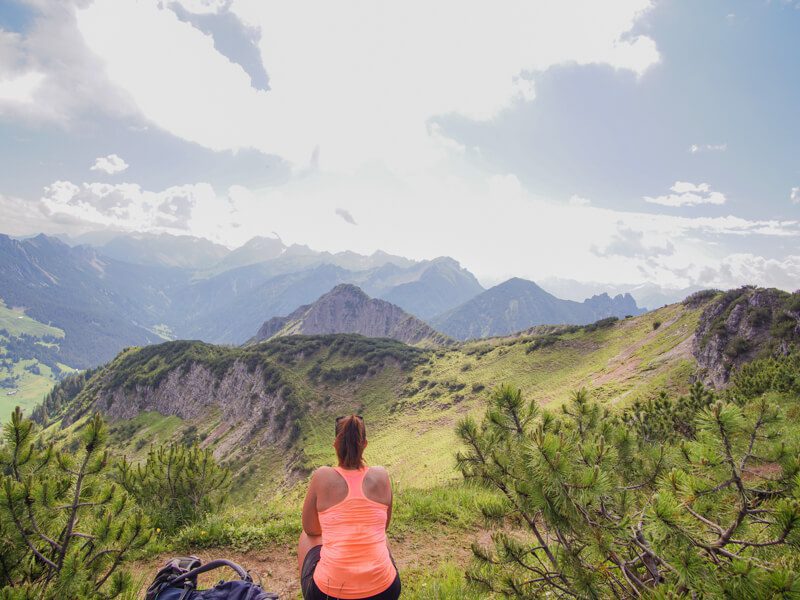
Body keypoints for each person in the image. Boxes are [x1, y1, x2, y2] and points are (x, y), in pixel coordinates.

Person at [298, 414, 401, 600]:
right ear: (365, 444)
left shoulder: (322, 476)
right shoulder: (382, 475)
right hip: (386, 591)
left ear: (335, 444)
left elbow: (310, 529)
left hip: (329, 593)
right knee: (380, 535)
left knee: (306, 537)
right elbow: (383, 527)